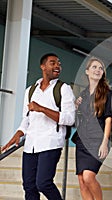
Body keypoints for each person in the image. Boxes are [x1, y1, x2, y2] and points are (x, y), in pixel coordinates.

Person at [1, 53, 75, 200]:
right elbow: (26, 118)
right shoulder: (30, 90)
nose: (57, 66)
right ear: (43, 67)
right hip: (31, 144)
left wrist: (42, 109)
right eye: (52, 63)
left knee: (43, 183)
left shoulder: (63, 89)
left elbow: (69, 119)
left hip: (51, 143)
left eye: (58, 63)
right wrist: (19, 133)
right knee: (29, 186)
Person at [71, 57, 112, 200]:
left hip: (97, 141)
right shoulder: (83, 94)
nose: (97, 70)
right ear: (87, 71)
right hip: (82, 141)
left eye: (100, 68)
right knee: (82, 181)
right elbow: (78, 119)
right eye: (94, 67)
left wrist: (105, 142)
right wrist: (76, 107)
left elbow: (108, 119)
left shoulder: (108, 93)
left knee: (89, 177)